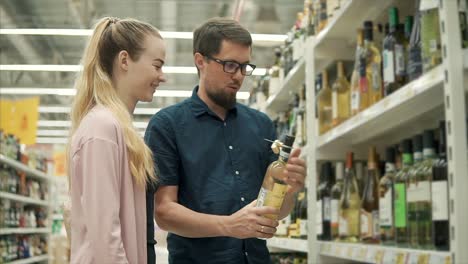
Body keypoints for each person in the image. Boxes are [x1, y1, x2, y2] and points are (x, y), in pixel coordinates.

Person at [144, 17, 306, 264]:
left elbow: (274, 212)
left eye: (244, 66)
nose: (239, 76)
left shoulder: (261, 125)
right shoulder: (167, 125)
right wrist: (229, 225)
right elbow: (164, 212)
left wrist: (291, 191)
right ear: (201, 61)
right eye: (230, 65)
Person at [67, 16, 166, 264]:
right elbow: (105, 238)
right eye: (157, 65)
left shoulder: (116, 127)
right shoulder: (102, 128)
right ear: (124, 60)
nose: (161, 76)